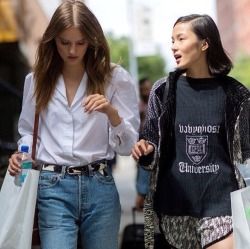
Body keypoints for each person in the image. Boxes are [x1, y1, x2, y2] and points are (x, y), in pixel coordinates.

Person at [8, 1, 140, 249]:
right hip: (53, 187)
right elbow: (28, 132)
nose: (72, 50)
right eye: (64, 42)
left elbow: (128, 147)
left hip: (100, 185)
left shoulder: (114, 78)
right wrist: (21, 155)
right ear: (53, 40)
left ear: (92, 40)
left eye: (80, 42)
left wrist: (110, 112)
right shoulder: (36, 81)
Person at [131, 14, 250, 249]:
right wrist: (145, 148)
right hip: (175, 206)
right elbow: (151, 143)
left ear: (204, 44)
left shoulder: (234, 94)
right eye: (172, 40)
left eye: (181, 39)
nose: (174, 46)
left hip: (222, 206)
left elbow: (246, 152)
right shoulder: (163, 91)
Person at [135, 77, 151, 211]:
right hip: (142, 145)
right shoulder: (138, 106)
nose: (146, 91)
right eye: (143, 89)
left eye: (148, 88)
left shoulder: (156, 105)